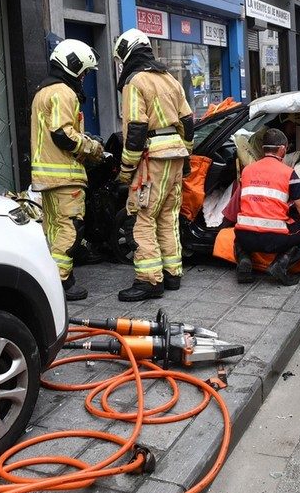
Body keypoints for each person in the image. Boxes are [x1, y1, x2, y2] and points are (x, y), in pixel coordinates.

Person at [112, 28, 195, 302]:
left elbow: (135, 129)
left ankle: (149, 281)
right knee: (168, 217)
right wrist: (185, 156)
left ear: (127, 53)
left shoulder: (135, 81)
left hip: (152, 160)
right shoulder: (169, 78)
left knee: (142, 218)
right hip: (175, 155)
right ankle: (172, 274)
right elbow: (188, 122)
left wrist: (126, 170)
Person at [29, 38, 103, 301]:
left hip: (46, 176)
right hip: (64, 176)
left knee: (52, 229)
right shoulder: (63, 92)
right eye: (83, 72)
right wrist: (92, 147)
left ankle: (48, 279)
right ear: (72, 65)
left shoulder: (43, 91)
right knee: (70, 229)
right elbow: (62, 134)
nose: (83, 78)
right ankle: (60, 282)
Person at [233, 129, 300, 285]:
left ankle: (244, 263)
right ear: (282, 149)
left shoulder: (247, 170)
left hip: (244, 236)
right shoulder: (288, 173)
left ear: (264, 148)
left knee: (240, 234)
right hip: (273, 240)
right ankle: (280, 265)